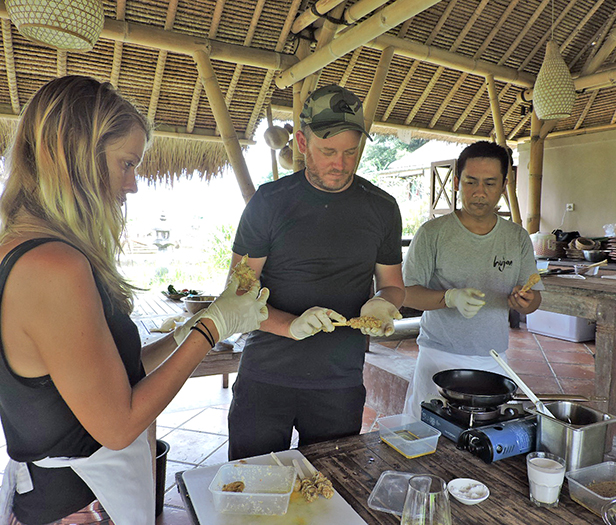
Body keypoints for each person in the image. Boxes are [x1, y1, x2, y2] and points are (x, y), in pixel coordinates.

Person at [0, 75, 269, 525]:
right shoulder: (52, 266)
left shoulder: (21, 247)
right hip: (78, 507)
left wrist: (187, 330)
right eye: (127, 164)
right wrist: (211, 328)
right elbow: (119, 424)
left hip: (61, 497)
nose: (134, 185)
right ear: (76, 158)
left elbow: (113, 376)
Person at [226, 84, 405, 460]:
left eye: (350, 151)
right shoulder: (269, 203)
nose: (340, 164)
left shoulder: (382, 208)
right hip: (266, 377)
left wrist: (381, 304)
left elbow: (392, 286)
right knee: (253, 491)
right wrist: (288, 325)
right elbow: (237, 294)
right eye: (328, 151)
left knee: (331, 494)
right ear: (304, 143)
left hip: (339, 381)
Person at [401, 141, 543, 418]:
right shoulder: (433, 233)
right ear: (456, 182)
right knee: (425, 433)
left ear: (504, 185)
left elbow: (534, 299)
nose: (480, 193)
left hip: (493, 358)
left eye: (490, 183)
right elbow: (407, 293)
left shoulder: (516, 237)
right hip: (438, 356)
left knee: (479, 439)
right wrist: (449, 298)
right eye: (471, 182)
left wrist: (524, 301)